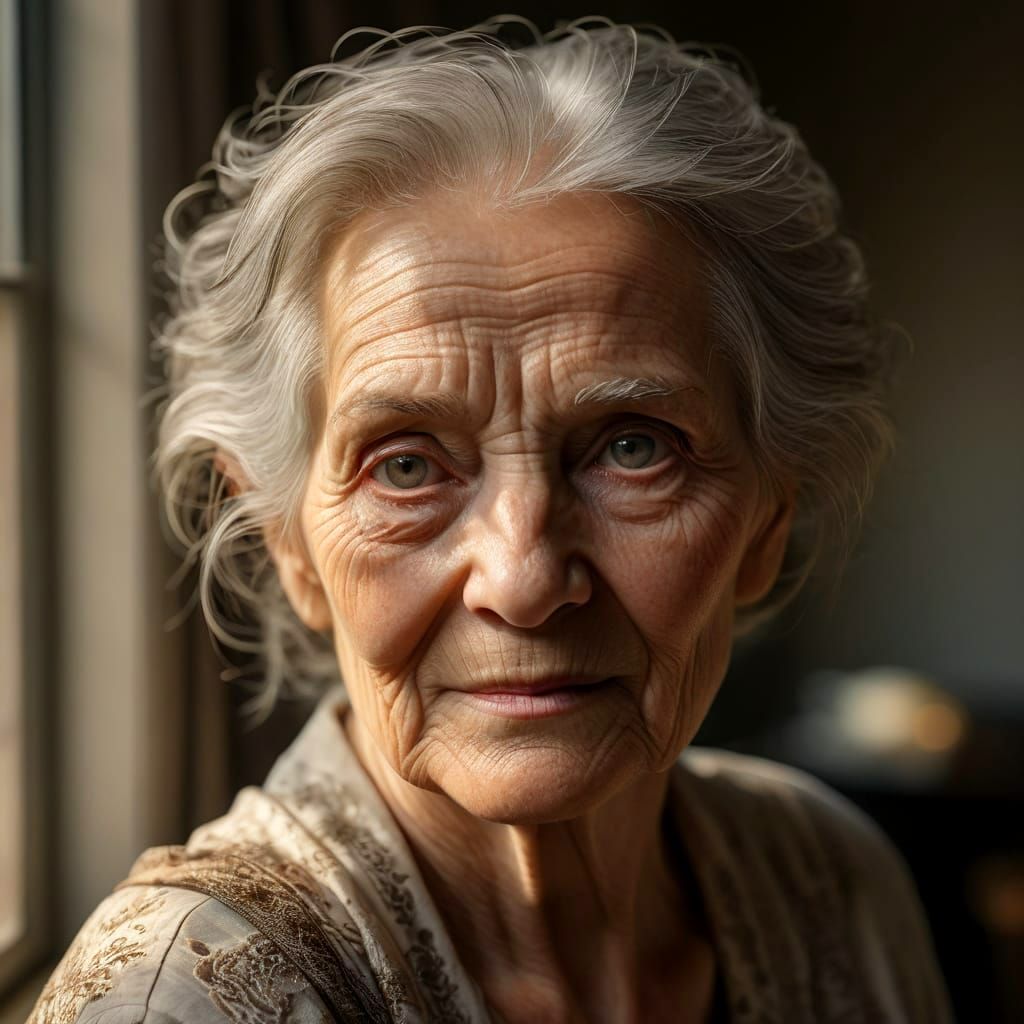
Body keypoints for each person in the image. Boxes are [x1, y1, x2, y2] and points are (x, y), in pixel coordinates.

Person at [30, 18, 953, 1023]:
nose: (520, 578)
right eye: (407, 465)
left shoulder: (831, 880)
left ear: (767, 518)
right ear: (288, 540)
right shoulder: (175, 997)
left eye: (632, 446)